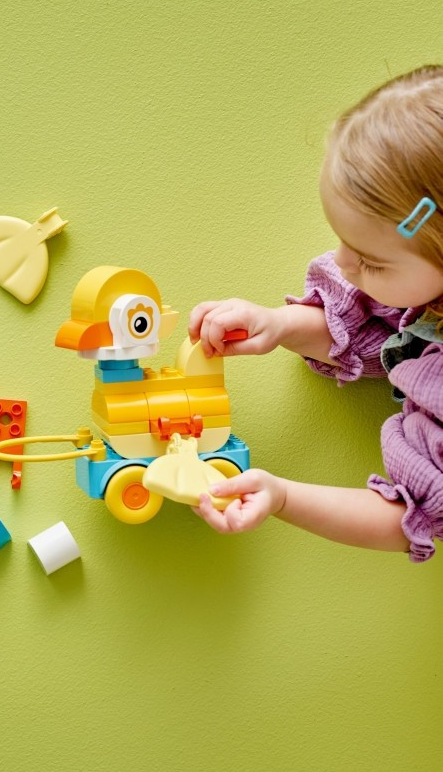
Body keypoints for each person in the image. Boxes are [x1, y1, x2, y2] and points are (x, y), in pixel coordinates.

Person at [187, 65, 443, 561]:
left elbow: (411, 517)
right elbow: (388, 331)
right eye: (342, 240)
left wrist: (283, 497)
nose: (342, 263)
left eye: (371, 261)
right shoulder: (421, 275)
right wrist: (281, 324)